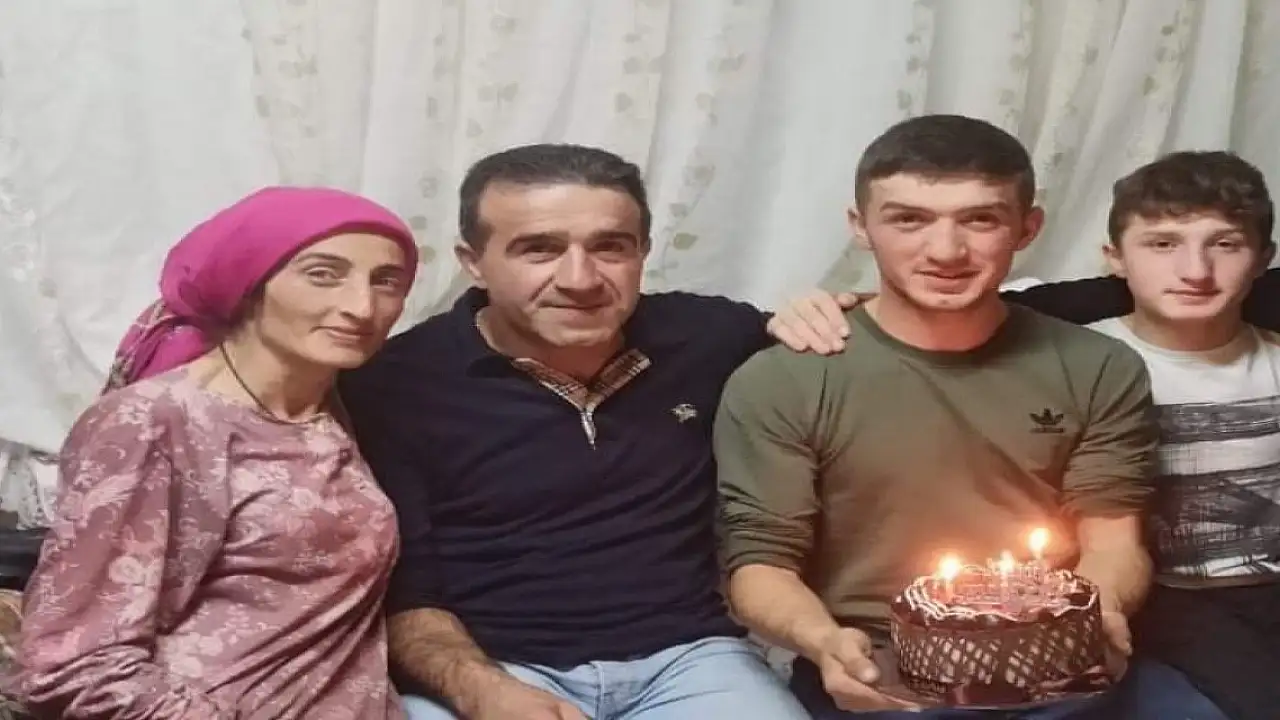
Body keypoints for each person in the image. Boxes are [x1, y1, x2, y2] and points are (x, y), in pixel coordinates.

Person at [712, 114, 1227, 719]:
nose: (946, 251)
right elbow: (760, 566)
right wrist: (824, 642)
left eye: (981, 219)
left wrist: (1099, 610)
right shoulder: (784, 379)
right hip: (882, 670)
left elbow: (1113, 541)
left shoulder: (1097, 366)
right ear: (860, 226)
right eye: (909, 219)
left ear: (1027, 228)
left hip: (1064, 657)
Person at [337, 143, 854, 720]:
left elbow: (875, 339)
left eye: (610, 247)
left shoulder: (709, 336)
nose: (580, 279)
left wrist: (830, 313)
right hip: (489, 665)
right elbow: (405, 598)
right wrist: (485, 693)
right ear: (473, 261)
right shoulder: (396, 384)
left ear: (643, 252)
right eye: (539, 249)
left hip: (688, 658)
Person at [14, 187, 418, 719]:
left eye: (386, 281)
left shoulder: (340, 406)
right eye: (323, 274)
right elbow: (72, 664)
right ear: (248, 281)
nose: (361, 307)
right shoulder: (155, 423)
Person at [1002, 151, 1280, 720]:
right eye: (1162, 244)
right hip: (1156, 599)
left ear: (1263, 259)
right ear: (1115, 257)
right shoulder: (1075, 361)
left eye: (1225, 244)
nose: (1196, 270)